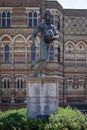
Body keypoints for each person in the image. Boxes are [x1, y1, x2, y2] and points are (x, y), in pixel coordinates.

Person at [30, 9, 59, 77]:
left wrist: (53, 37)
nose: (48, 16)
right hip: (43, 40)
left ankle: (36, 73)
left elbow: (57, 35)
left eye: (49, 15)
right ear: (45, 16)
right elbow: (34, 34)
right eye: (47, 15)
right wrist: (33, 43)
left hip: (49, 42)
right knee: (43, 57)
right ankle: (34, 62)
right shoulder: (42, 25)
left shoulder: (52, 27)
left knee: (45, 60)